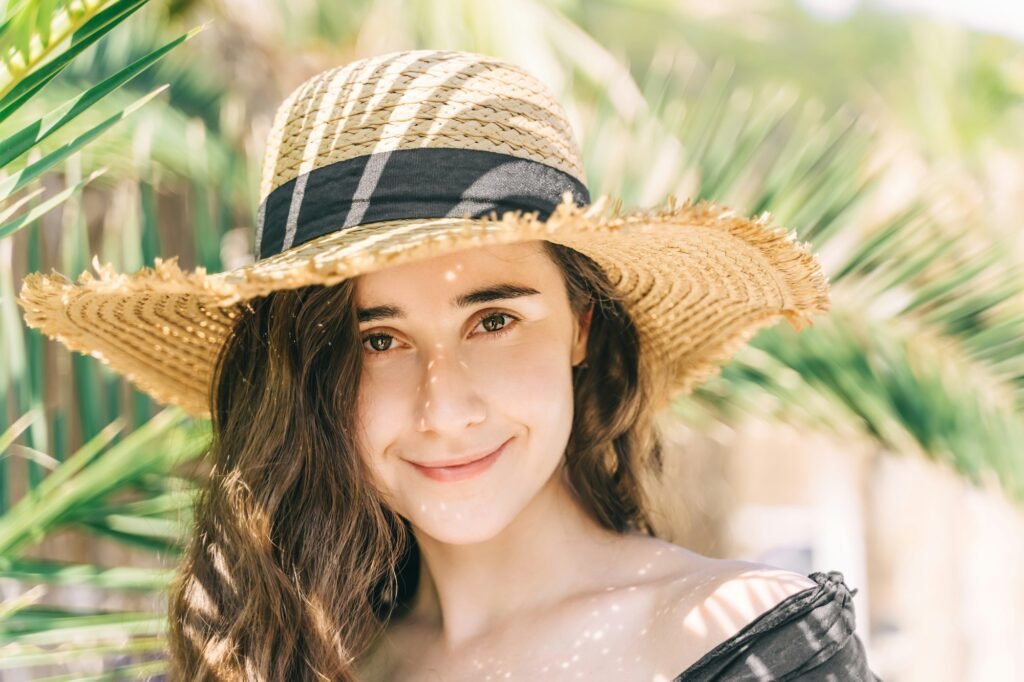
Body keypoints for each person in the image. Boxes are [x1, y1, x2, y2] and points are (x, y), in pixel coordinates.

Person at [17, 49, 881, 681]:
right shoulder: (283, 657)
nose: (444, 407)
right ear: (310, 376)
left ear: (581, 327)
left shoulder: (743, 643)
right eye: (377, 340)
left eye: (494, 319)